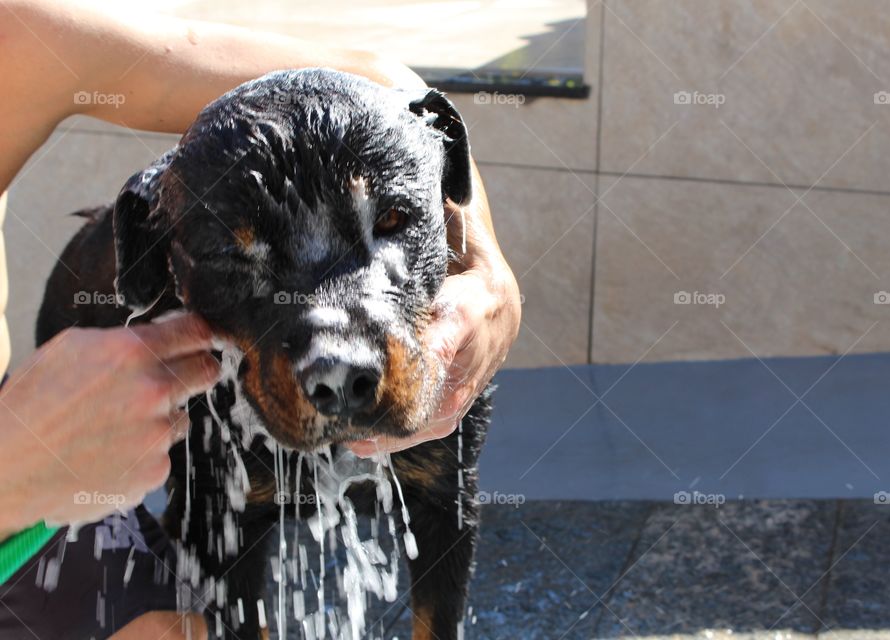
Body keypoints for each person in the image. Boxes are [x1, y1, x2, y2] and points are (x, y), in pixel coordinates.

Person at [0, 0, 521, 636]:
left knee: (177, 629)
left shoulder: (21, 36)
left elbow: (390, 89)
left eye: (390, 225)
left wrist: (488, 272)